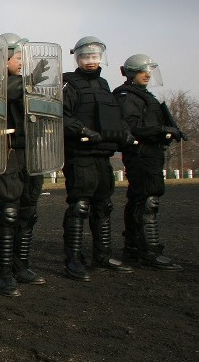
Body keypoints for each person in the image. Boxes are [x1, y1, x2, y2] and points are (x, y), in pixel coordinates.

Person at [62, 36, 133, 281]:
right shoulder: (69, 85)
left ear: (100, 57)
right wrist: (82, 130)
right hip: (80, 154)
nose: (90, 61)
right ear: (77, 58)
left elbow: (114, 116)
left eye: (94, 56)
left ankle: (101, 256)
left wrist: (124, 133)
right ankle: (72, 260)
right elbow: (62, 115)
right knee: (80, 206)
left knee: (104, 206)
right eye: (85, 57)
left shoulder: (104, 85)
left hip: (102, 154)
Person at [0, 33, 47, 297]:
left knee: (27, 212)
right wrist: (28, 83)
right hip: (7, 153)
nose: (22, 63)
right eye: (18, 58)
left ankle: (22, 267)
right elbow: (3, 94)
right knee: (9, 213)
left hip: (30, 153)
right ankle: (3, 274)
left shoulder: (27, 84)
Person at [113, 54, 183, 271]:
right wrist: (162, 130)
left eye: (149, 71)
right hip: (141, 153)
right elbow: (131, 126)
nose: (148, 74)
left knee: (140, 199)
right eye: (143, 71)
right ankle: (149, 251)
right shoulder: (127, 96)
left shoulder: (141, 95)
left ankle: (134, 248)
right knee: (147, 200)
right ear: (132, 73)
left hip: (150, 152)